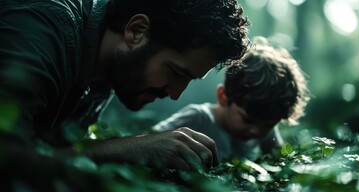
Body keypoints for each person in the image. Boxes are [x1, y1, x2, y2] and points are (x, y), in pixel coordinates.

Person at [0, 0, 249, 172]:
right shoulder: (42, 28)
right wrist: (117, 150)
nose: (175, 94)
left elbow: (52, 152)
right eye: (175, 72)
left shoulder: (106, 70)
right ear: (136, 31)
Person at [153, 37, 310, 161]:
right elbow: (152, 141)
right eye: (247, 119)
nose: (256, 130)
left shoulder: (264, 130)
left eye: (268, 125)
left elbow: (281, 159)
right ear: (223, 96)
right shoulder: (198, 118)